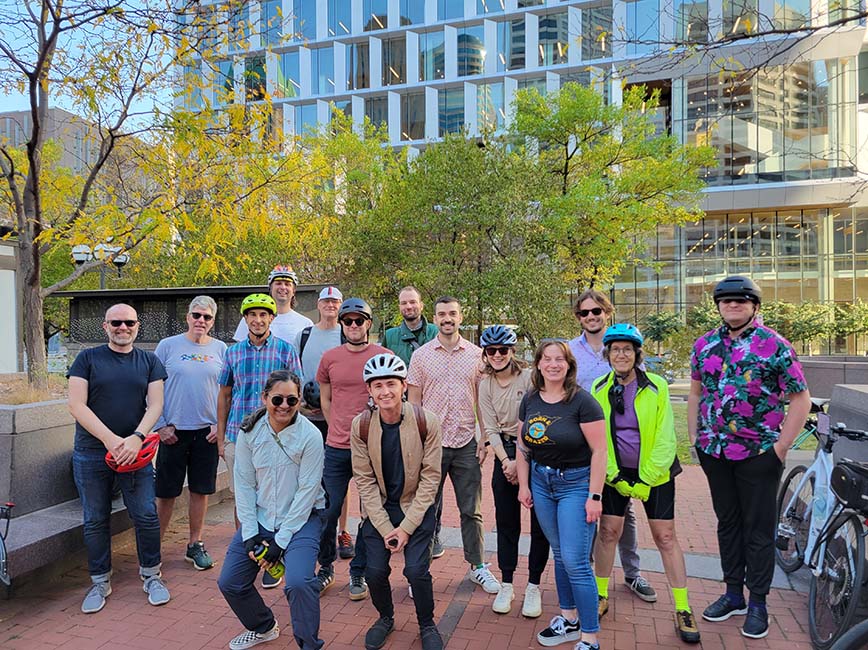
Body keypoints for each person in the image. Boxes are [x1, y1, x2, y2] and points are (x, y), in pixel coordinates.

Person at [689, 276, 810, 639]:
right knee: (727, 524)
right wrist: (695, 436)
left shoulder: (775, 345)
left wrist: (781, 447)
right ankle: (732, 594)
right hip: (715, 451)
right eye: (726, 301)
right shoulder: (705, 344)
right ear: (719, 306)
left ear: (754, 305)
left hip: (759, 453)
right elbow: (696, 392)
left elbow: (800, 398)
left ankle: (758, 602)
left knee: (758, 529)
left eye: (741, 301)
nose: (733, 306)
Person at [590, 324, 700, 644]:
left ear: (637, 354)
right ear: (608, 354)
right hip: (615, 474)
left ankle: (682, 607)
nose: (620, 354)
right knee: (608, 532)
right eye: (615, 349)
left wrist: (645, 480)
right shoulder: (599, 387)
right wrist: (616, 477)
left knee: (665, 537)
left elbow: (667, 438)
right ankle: (600, 595)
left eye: (627, 349)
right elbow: (599, 440)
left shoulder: (657, 386)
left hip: (656, 474)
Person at [67, 303, 169, 614]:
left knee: (146, 516)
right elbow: (76, 405)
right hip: (92, 452)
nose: (122, 328)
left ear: (138, 326)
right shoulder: (87, 359)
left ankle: (151, 575)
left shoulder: (149, 361)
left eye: (128, 322)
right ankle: (99, 581)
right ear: (105, 326)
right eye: (116, 323)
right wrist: (111, 441)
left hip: (135, 453)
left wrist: (135, 439)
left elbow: (155, 405)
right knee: (95, 518)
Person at [217, 370, 326, 650]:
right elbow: (244, 485)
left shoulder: (311, 436)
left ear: (299, 400)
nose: (284, 406)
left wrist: (280, 541)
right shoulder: (249, 433)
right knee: (230, 581)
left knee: (300, 583)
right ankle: (263, 626)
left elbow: (308, 491)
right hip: (262, 518)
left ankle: (309, 644)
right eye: (277, 398)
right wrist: (251, 534)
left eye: (292, 400)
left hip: (302, 520)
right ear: (265, 397)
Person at [516, 339, 606, 650]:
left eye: (560, 359)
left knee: (575, 560)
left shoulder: (582, 402)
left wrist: (594, 496)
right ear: (538, 364)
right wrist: (525, 485)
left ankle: (590, 637)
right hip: (542, 483)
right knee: (559, 554)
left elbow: (600, 451)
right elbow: (522, 445)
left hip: (576, 484)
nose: (553, 364)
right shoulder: (530, 399)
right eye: (547, 359)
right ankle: (568, 620)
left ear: (568, 365)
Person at [568, 289, 656, 606]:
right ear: (578, 317)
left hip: (620, 445)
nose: (591, 317)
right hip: (581, 443)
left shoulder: (621, 346)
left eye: (596, 312)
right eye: (584, 313)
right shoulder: (570, 351)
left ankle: (632, 573)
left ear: (607, 312)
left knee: (624, 512)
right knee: (589, 508)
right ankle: (589, 576)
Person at [351, 353, 444, 650]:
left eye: (391, 384)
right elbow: (363, 480)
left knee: (416, 571)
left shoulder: (425, 421)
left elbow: (431, 479)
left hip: (416, 506)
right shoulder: (361, 425)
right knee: (375, 571)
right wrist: (383, 525)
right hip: (380, 508)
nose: (385, 392)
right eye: (377, 386)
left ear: (404, 385)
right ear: (369, 390)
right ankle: (386, 617)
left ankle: (427, 624)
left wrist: (405, 529)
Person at [407, 297, 499, 594]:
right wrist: (414, 442)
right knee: (425, 510)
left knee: (471, 510)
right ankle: (420, 570)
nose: (448, 318)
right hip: (431, 445)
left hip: (465, 444)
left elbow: (483, 402)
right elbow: (414, 404)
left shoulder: (476, 356)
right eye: (442, 314)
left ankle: (478, 566)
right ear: (434, 317)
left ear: (461, 317)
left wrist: (484, 438)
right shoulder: (420, 356)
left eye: (453, 314)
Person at [218, 293, 302, 589]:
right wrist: (220, 435)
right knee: (243, 498)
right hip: (238, 434)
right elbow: (225, 394)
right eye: (252, 315)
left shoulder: (284, 350)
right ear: (245, 319)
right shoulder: (233, 353)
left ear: (271, 319)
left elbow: (296, 394)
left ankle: (274, 558)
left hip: (275, 435)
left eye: (263, 315)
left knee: (275, 495)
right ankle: (249, 554)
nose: (257, 320)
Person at [315, 297, 389, 599]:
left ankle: (358, 572)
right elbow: (326, 398)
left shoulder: (383, 355)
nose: (354, 326)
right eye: (349, 321)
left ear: (368, 323)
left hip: (373, 447)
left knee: (371, 512)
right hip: (336, 446)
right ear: (342, 325)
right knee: (328, 510)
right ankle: (326, 567)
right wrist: (335, 427)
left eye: (360, 320)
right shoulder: (330, 357)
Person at [477, 325, 549, 618]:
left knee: (539, 524)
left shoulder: (530, 377)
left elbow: (536, 417)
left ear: (512, 351)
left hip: (534, 451)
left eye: (502, 350)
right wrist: (507, 462)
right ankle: (507, 584)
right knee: (507, 523)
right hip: (503, 453)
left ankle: (533, 586)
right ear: (485, 353)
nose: (497, 355)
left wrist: (522, 460)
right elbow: (490, 427)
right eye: (491, 351)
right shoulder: (485, 384)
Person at [154, 296, 227, 571]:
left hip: (205, 434)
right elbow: (152, 387)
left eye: (207, 317)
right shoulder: (167, 346)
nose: (201, 321)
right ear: (187, 317)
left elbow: (227, 392)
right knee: (166, 493)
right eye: (196, 315)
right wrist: (160, 425)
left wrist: (220, 425)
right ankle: (155, 546)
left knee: (200, 491)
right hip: (173, 432)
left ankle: (195, 544)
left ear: (212, 321)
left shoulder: (221, 349)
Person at [296, 286, 354, 560]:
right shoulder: (304, 335)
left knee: (339, 481)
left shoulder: (346, 333)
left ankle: (343, 530)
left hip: (338, 419)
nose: (330, 305)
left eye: (335, 301)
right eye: (326, 301)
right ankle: (312, 529)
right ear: (318, 305)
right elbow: (294, 371)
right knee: (310, 476)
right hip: (308, 417)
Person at [234, 265, 313, 345]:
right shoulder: (251, 320)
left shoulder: (305, 324)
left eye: (287, 284)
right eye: (278, 283)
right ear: (270, 288)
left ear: (294, 291)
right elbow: (238, 351)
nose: (283, 287)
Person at [383, 286, 438, 366]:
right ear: (399, 307)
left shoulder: (436, 332)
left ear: (421, 305)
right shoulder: (389, 336)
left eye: (413, 302)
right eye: (404, 303)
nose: (408, 307)